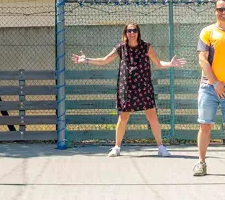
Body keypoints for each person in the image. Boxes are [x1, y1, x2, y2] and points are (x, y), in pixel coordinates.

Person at [72, 23, 186, 157]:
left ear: (138, 32)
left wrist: (171, 64)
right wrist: (86, 60)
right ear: (125, 33)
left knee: (152, 116)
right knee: (123, 117)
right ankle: (117, 147)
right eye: (129, 30)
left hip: (144, 87)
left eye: (134, 30)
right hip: (126, 87)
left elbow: (158, 63)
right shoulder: (121, 48)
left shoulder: (146, 47)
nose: (132, 33)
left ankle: (161, 147)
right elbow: (104, 60)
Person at [193, 0, 225, 177]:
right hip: (209, 87)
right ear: (215, 11)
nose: (224, 13)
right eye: (220, 9)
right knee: (205, 125)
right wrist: (215, 83)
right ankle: (201, 162)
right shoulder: (207, 32)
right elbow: (202, 60)